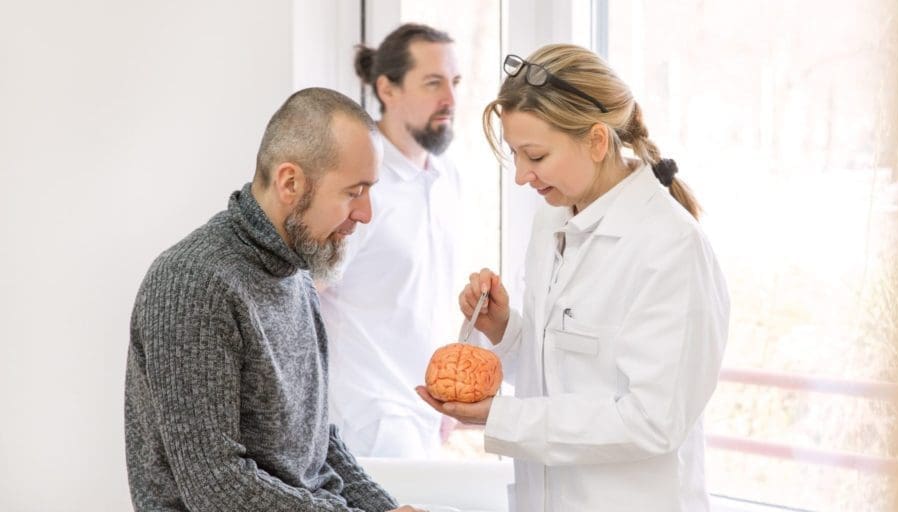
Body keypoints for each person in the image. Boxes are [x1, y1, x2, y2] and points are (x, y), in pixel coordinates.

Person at [416, 44, 730, 511]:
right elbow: (565, 368)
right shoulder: (554, 219)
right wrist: (506, 329)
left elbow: (652, 420)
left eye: (536, 156)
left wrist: (503, 418)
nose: (522, 175)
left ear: (597, 141)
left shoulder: (671, 247)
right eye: (516, 155)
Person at [124, 87, 424, 512]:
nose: (366, 213)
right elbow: (217, 488)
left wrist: (386, 509)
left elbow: (317, 446)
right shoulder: (193, 282)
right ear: (290, 183)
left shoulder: (297, 274)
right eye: (353, 192)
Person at [317, 23, 465, 458]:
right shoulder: (359, 182)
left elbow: (429, 297)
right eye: (433, 83)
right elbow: (302, 294)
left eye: (455, 83)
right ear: (388, 88)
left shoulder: (447, 177)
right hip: (367, 420)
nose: (451, 100)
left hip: (426, 416)